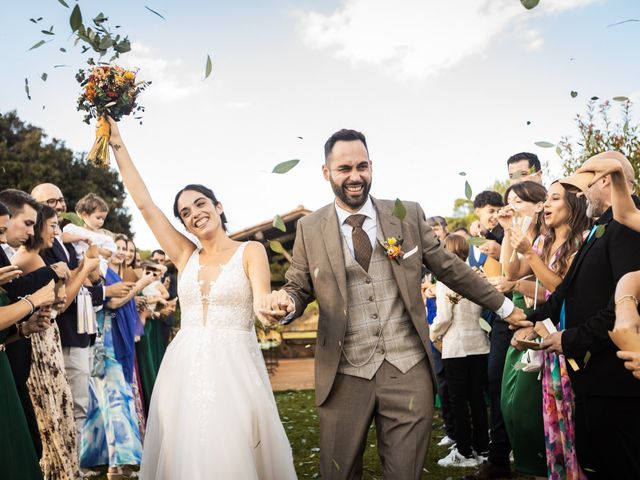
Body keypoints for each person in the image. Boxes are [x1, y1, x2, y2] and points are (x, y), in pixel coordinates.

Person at [262, 129, 526, 479]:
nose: (355, 176)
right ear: (326, 172)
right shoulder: (311, 228)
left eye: (362, 166)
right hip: (344, 372)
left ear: (371, 166)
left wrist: (506, 308)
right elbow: (298, 287)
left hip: (407, 368)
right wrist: (287, 304)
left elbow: (450, 269)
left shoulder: (406, 215)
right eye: (344, 169)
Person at [106, 117, 296, 479]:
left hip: (234, 364)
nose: (195, 213)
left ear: (218, 206)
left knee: (232, 449)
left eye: (200, 203)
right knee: (187, 450)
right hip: (184, 366)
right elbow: (145, 205)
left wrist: (273, 310)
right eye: (185, 212)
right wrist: (117, 142)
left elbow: (260, 304)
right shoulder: (184, 255)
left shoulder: (250, 250)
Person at [523, 152, 640, 479]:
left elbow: (619, 303)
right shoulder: (601, 226)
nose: (578, 193)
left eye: (583, 182)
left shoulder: (628, 224)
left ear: (605, 179)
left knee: (623, 464)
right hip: (592, 375)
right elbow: (570, 289)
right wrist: (527, 317)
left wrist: (573, 338)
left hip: (616, 375)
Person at [31, 183, 133, 474]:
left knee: (79, 407)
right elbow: (61, 297)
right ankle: (68, 469)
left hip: (83, 331)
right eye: (51, 201)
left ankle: (72, 466)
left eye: (61, 199)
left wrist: (95, 278)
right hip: (64, 334)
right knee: (71, 408)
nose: (59, 205)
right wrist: (88, 270)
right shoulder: (44, 245)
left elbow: (87, 288)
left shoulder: (62, 241)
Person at [503, 181, 590, 479]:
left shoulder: (582, 241)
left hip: (570, 336)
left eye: (555, 198)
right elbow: (510, 273)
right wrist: (509, 232)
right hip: (545, 333)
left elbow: (561, 289)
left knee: (571, 413)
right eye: (547, 199)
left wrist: (529, 254)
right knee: (552, 413)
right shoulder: (542, 241)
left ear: (574, 205)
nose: (546, 205)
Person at [12, 204, 97, 479]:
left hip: (47, 339)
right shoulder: (30, 259)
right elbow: (60, 303)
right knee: (52, 417)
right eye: (52, 225)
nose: (57, 232)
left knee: (60, 414)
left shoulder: (37, 257)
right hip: (39, 344)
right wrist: (83, 269)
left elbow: (57, 299)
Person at [0, 189, 68, 457]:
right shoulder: (21, 255)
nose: (32, 230)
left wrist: (25, 329)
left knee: (29, 448)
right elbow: (15, 294)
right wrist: (34, 299)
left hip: (14, 361)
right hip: (8, 370)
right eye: (28, 223)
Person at [81, 233, 154, 478]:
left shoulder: (115, 273)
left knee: (108, 401)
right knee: (114, 400)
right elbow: (112, 303)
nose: (121, 251)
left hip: (116, 341)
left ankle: (103, 460)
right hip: (105, 343)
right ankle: (115, 463)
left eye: (124, 248)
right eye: (116, 246)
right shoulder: (99, 269)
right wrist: (139, 286)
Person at [431, 234, 490, 468]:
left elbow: (444, 317)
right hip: (479, 343)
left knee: (458, 401)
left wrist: (432, 333)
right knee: (476, 399)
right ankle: (483, 448)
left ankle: (464, 452)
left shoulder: (446, 279)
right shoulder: (476, 276)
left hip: (455, 345)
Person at [61, 193, 117, 275]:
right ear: (84, 215)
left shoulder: (103, 236)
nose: (101, 222)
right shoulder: (75, 229)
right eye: (98, 218)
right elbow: (64, 237)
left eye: (103, 219)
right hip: (79, 264)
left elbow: (109, 253)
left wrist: (95, 248)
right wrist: (81, 238)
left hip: (98, 267)